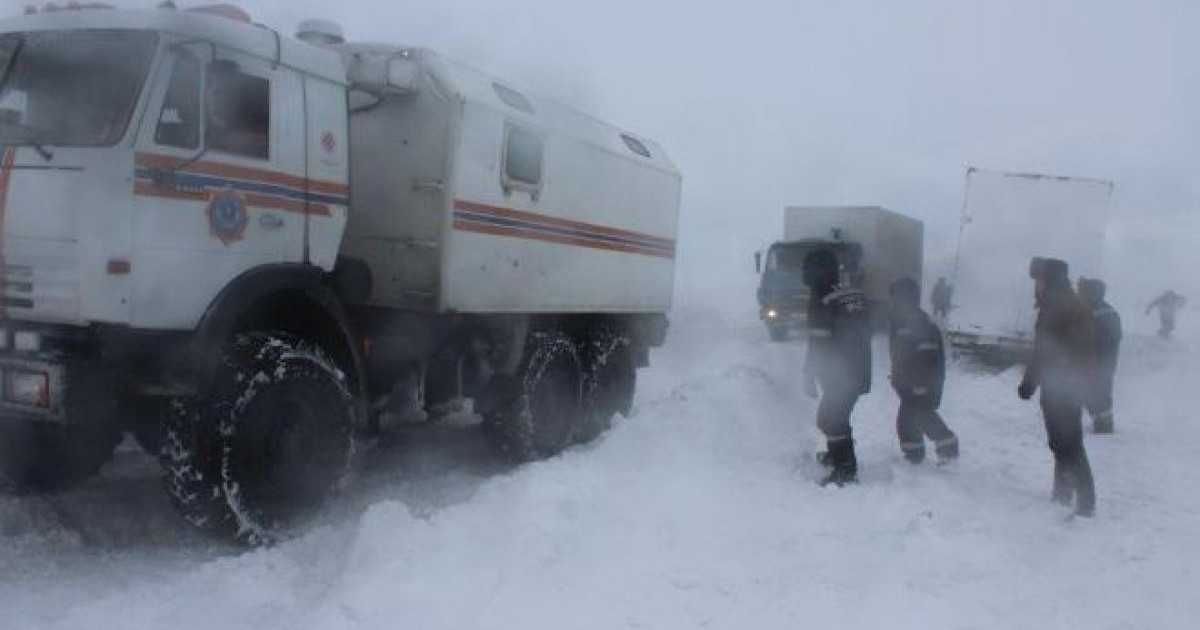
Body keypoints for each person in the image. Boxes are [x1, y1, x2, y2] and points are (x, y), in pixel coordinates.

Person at [1018, 257, 1096, 517]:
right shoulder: (1067, 303)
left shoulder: (1057, 307)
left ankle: (1085, 503)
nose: (1036, 286)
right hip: (1066, 384)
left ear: (1047, 280)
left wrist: (1029, 383)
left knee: (1068, 443)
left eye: (1038, 280)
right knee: (1064, 442)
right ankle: (1063, 494)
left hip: (1063, 385)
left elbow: (1044, 351)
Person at [802, 249, 872, 486]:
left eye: (807, 270)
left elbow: (818, 344)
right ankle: (836, 454)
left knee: (829, 419)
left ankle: (846, 469)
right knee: (836, 417)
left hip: (841, 373)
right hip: (858, 368)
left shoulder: (821, 300)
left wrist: (808, 375)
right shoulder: (850, 294)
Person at [888, 278, 959, 464]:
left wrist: (921, 385)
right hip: (908, 384)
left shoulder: (921, 325)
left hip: (922, 384)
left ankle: (944, 450)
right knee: (915, 418)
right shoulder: (901, 322)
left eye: (894, 298)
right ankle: (917, 454)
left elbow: (930, 359)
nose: (892, 302)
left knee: (918, 417)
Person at [1078, 278, 1121, 434]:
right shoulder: (1108, 310)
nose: (1079, 294)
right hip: (1105, 362)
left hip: (1096, 362)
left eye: (1082, 291)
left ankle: (1104, 425)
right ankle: (1102, 422)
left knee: (1095, 392)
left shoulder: (1094, 312)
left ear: (1091, 293)